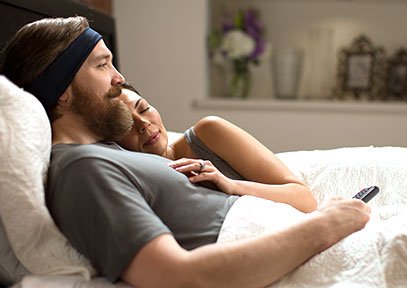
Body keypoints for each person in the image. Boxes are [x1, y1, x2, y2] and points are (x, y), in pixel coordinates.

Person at [0, 16, 371, 288]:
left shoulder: (106, 153)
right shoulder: (82, 169)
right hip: (302, 250)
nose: (118, 77)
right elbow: (176, 275)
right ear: (62, 91)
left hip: (306, 239)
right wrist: (328, 223)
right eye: (102, 65)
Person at [117, 83, 316, 212]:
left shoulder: (208, 132)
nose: (143, 123)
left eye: (144, 108)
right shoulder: (133, 183)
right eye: (127, 125)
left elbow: (304, 198)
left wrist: (230, 185)